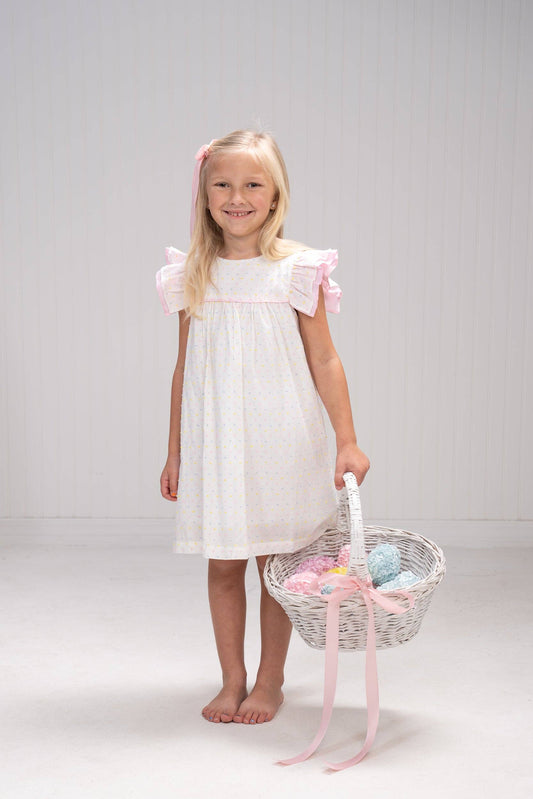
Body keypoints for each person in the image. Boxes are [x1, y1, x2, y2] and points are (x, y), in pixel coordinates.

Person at [156, 129, 370, 726]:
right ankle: (232, 677)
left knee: (276, 566)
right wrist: (175, 452)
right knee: (224, 563)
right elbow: (183, 368)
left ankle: (270, 679)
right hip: (218, 445)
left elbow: (325, 360)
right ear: (204, 195)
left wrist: (348, 440)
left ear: (275, 195)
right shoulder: (191, 274)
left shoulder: (296, 271)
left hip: (283, 440)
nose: (237, 197)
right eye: (222, 184)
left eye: (253, 184)